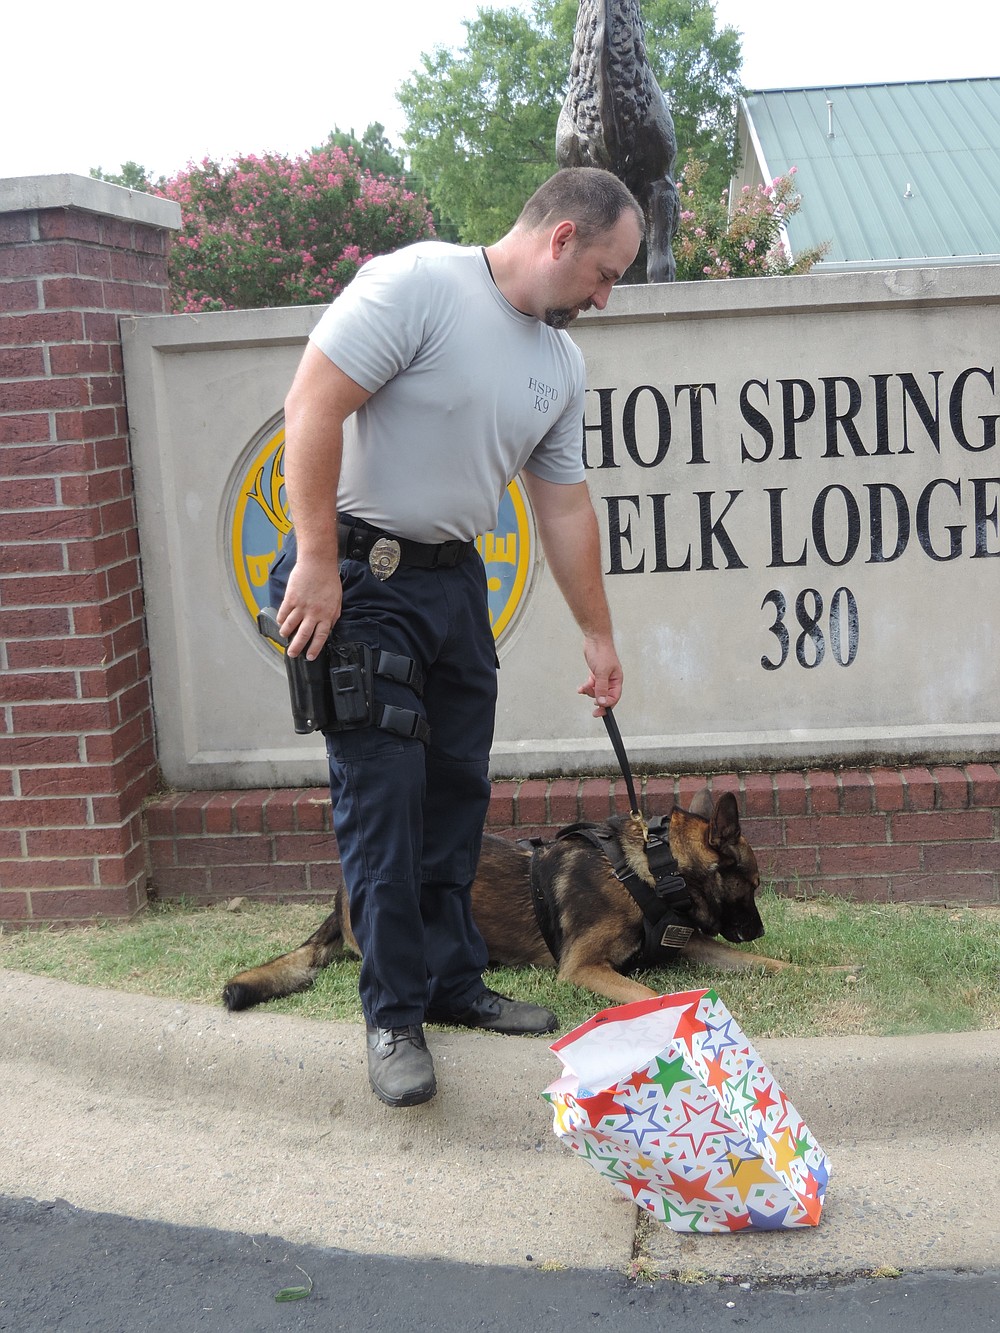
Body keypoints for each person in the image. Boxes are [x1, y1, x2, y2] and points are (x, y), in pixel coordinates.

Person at [270, 167, 643, 1107]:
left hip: (452, 584)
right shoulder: (419, 286)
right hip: (358, 575)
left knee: (454, 793)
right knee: (384, 797)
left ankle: (450, 980)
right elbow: (313, 404)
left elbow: (562, 507)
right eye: (604, 273)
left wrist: (597, 635)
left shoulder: (560, 366)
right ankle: (393, 1014)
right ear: (560, 238)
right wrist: (315, 556)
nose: (606, 296)